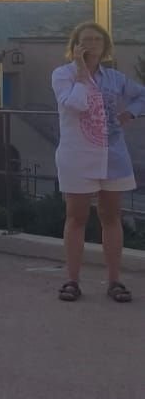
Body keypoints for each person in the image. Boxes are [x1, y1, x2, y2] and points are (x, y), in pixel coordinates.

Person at [53, 22, 145, 304]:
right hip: (78, 156)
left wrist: (130, 113)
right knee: (76, 217)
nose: (92, 44)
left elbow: (142, 95)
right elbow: (75, 105)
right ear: (76, 45)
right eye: (86, 40)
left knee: (111, 217)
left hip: (112, 155)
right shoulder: (63, 75)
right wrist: (82, 72)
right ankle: (72, 280)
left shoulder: (115, 78)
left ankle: (115, 281)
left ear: (105, 46)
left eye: (97, 40)